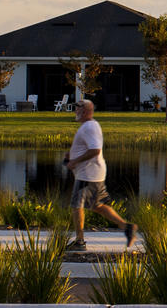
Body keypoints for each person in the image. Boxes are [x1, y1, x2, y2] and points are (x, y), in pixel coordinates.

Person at [63, 99, 137, 250]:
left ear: (85, 111)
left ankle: (80, 242)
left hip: (88, 174)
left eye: (78, 109)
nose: (75, 111)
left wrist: (75, 161)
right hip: (92, 173)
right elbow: (89, 148)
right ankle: (126, 227)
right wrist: (71, 155)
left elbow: (95, 150)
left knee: (77, 205)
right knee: (97, 205)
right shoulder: (90, 126)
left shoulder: (89, 127)